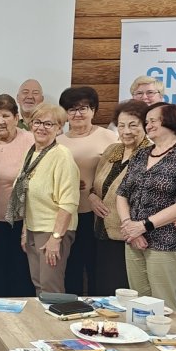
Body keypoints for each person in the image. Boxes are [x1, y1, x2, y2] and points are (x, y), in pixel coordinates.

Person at [116, 102, 176, 313]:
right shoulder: (141, 154)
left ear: (171, 121)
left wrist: (143, 226)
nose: (148, 125)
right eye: (146, 122)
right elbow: (121, 194)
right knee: (137, 304)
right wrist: (129, 226)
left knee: (164, 307)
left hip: (165, 241)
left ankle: (172, 337)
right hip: (133, 239)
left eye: (153, 121)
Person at [7, 103, 79, 295]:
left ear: (59, 128)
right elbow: (27, 196)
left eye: (49, 124)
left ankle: (56, 318)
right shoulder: (32, 152)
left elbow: (69, 202)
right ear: (30, 125)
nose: (41, 127)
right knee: (39, 285)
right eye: (37, 122)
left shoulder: (61, 156)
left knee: (50, 288)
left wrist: (56, 238)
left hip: (52, 231)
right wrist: (25, 231)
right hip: (34, 229)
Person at [57, 86, 120, 296]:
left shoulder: (109, 137)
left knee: (97, 267)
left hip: (99, 213)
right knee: (71, 266)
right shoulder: (58, 141)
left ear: (93, 110)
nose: (77, 114)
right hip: (68, 213)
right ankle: (71, 307)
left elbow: (120, 173)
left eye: (83, 108)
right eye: (71, 109)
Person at [88, 100, 150, 294]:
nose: (126, 131)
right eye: (121, 126)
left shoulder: (150, 154)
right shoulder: (112, 150)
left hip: (130, 235)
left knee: (121, 290)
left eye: (133, 125)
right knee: (101, 289)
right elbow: (97, 185)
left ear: (146, 125)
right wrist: (92, 197)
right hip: (101, 231)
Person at [0, 94, 35, 297]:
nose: (0, 121)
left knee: (21, 273)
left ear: (16, 117)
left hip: (23, 221)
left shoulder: (30, 141)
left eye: (6, 116)